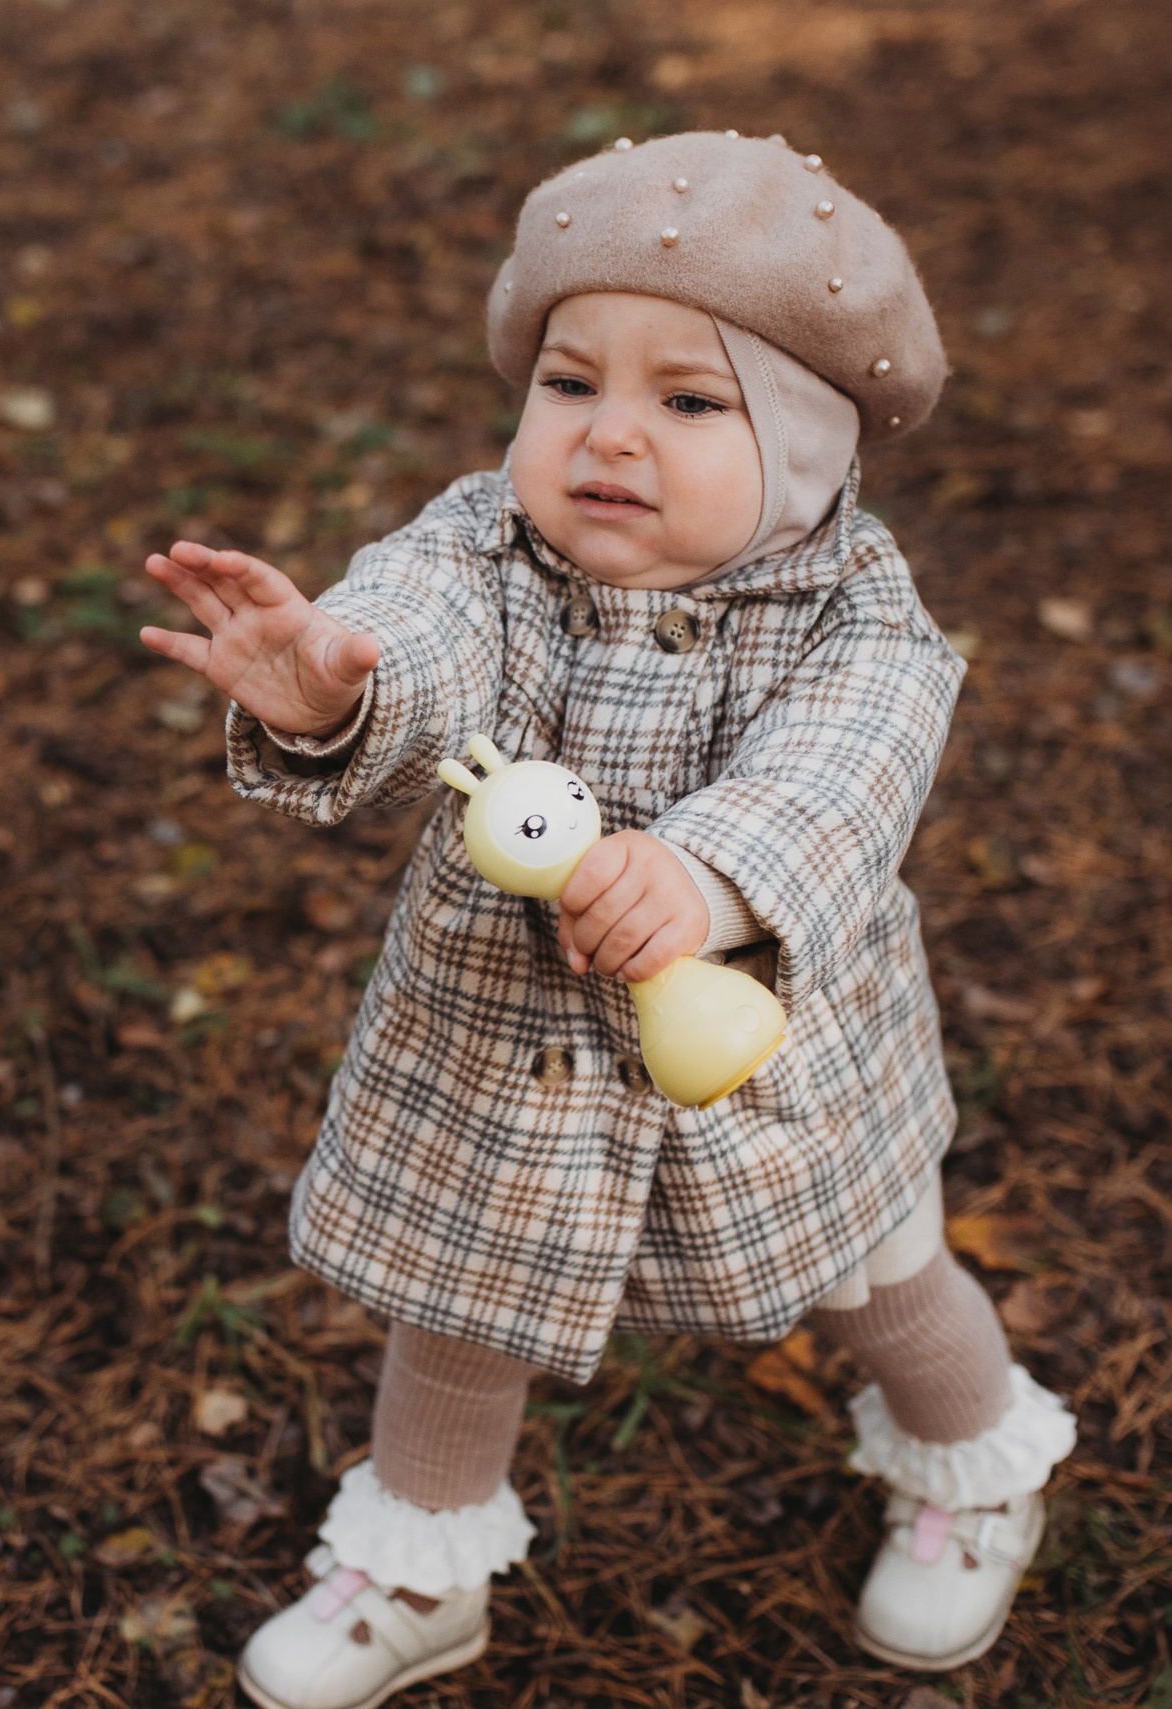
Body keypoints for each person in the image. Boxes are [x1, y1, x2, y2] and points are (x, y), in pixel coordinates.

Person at [137, 131, 1077, 1709]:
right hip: (505, 1045)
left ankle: (976, 1470)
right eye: (570, 383)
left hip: (779, 1056)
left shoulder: (863, 617)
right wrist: (335, 683)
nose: (608, 437)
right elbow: (420, 626)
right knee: (457, 1303)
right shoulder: (482, 546)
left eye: (689, 400)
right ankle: (420, 1567)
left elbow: (844, 776)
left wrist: (707, 876)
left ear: (808, 443)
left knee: (882, 1270)